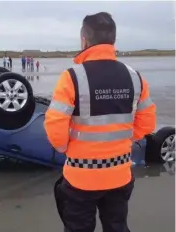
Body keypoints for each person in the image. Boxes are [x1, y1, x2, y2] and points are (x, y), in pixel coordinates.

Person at [44, 12, 156, 232]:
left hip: (80, 177)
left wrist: (65, 148)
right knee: (117, 226)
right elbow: (147, 122)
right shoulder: (135, 77)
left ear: (84, 40)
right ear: (112, 41)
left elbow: (55, 126)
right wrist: (124, 140)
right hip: (120, 174)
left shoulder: (71, 77)